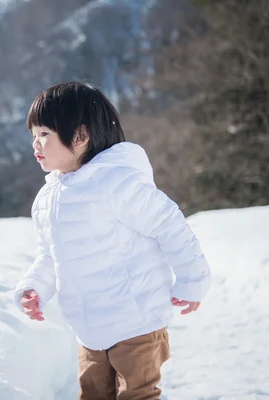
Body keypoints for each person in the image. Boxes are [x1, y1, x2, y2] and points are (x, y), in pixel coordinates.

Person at [13, 82, 211, 399]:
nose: (35, 144)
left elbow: (169, 225)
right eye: (33, 135)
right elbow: (50, 255)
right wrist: (34, 287)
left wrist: (192, 280)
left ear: (80, 136)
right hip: (90, 329)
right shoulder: (48, 199)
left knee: (138, 394)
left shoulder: (116, 183)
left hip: (137, 321)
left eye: (45, 134)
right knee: (92, 394)